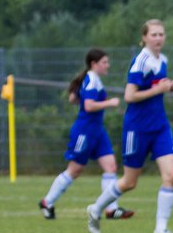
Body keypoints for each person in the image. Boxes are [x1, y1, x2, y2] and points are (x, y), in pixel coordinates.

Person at [86, 19, 173, 233]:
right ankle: (96, 209)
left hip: (160, 127)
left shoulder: (162, 60)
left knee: (171, 175)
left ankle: (161, 230)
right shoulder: (141, 61)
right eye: (154, 35)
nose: (158, 38)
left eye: (161, 34)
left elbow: (158, 85)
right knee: (129, 182)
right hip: (137, 129)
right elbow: (130, 96)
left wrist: (169, 86)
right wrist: (159, 89)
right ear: (144, 38)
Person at [39, 48, 133, 222]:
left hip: (97, 130)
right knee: (75, 170)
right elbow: (89, 106)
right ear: (94, 64)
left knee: (111, 167)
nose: (108, 66)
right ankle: (47, 202)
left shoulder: (92, 79)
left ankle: (111, 209)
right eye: (104, 62)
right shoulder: (91, 80)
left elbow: (74, 99)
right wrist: (109, 102)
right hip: (85, 131)